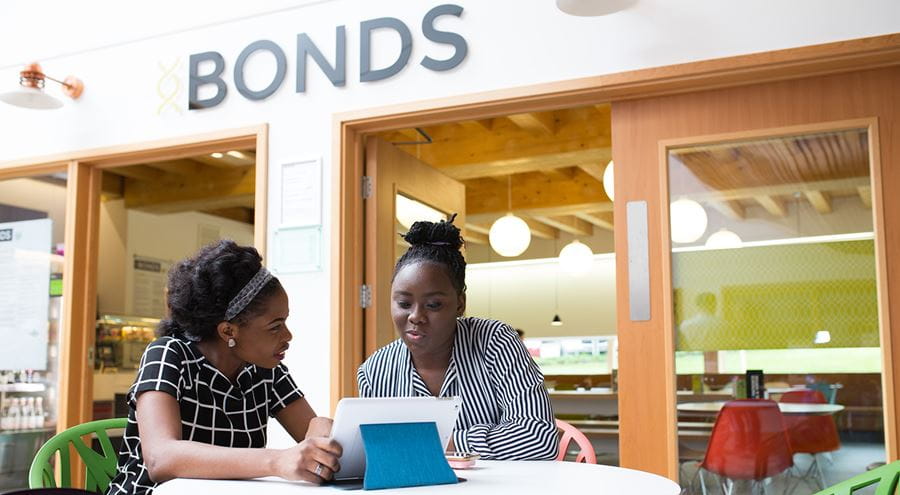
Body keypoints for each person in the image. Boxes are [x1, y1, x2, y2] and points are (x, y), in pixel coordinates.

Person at [107, 241, 341, 495]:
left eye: (285, 322)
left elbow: (310, 433)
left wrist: (319, 431)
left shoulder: (265, 369)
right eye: (275, 326)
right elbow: (160, 458)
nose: (288, 335)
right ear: (228, 330)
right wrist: (276, 460)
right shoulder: (168, 354)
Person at [357, 216, 558, 460]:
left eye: (433, 304)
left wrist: (437, 442)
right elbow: (379, 454)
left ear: (460, 304)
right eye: (403, 303)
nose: (416, 316)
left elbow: (539, 438)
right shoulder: (375, 372)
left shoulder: (495, 342)